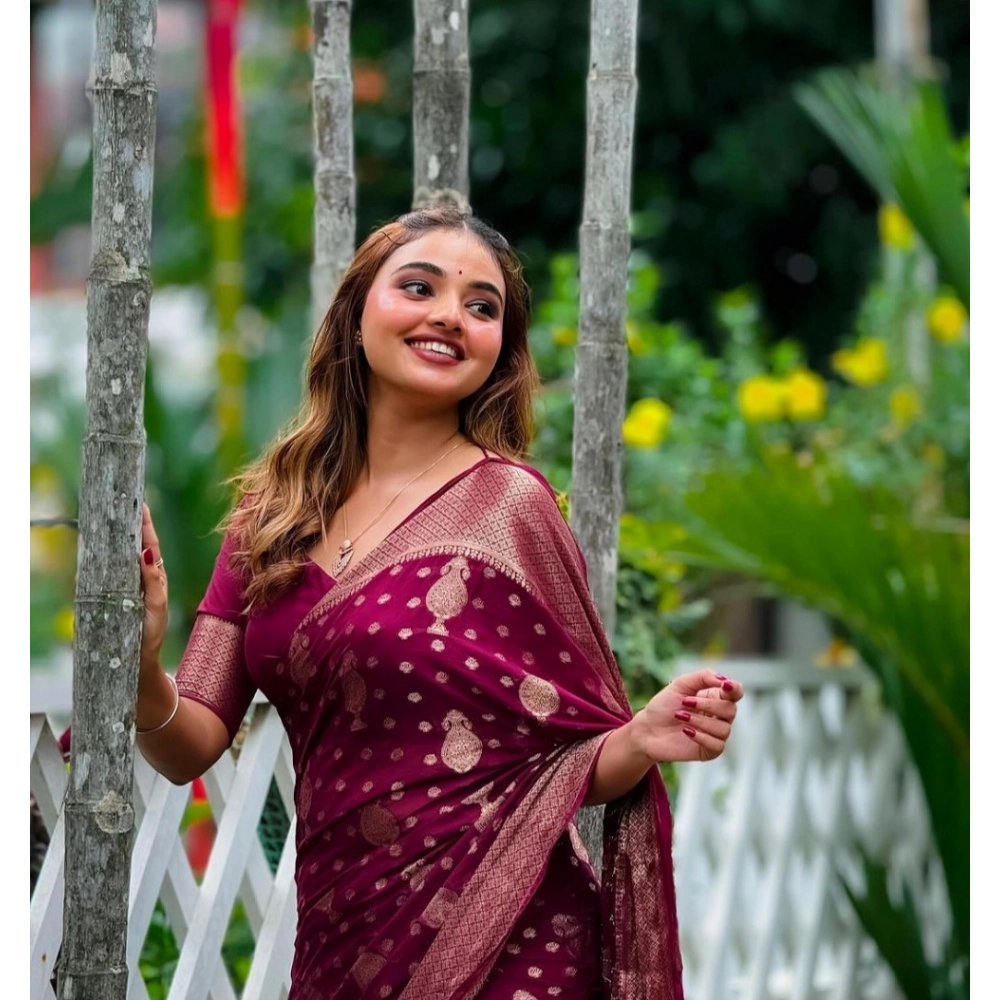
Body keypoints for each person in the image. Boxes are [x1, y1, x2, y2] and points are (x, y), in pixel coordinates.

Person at [135, 205, 743, 1000]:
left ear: (499, 351)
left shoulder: (510, 510)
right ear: (356, 313)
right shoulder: (272, 517)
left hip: (512, 945)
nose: (451, 315)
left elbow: (565, 756)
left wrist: (642, 735)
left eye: (481, 306)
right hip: (340, 942)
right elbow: (188, 746)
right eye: (419, 287)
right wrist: (141, 658)